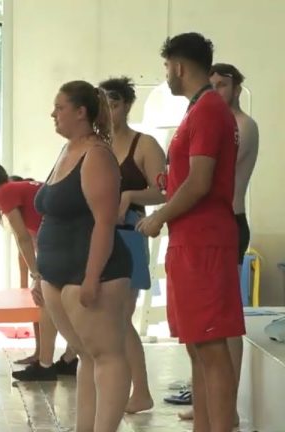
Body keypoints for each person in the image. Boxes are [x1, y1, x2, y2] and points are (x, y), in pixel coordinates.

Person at [137, 33, 243, 432]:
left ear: (178, 66)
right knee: (198, 346)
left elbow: (200, 183)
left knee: (213, 347)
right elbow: (187, 178)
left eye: (166, 67)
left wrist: (159, 215)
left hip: (205, 242)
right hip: (190, 241)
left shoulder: (209, 112)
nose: (166, 74)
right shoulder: (197, 111)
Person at [36, 80, 133, 431]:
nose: (53, 113)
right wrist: (40, 275)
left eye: (59, 107)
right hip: (57, 274)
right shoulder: (67, 150)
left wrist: (92, 277)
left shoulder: (96, 154)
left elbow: (105, 223)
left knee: (107, 355)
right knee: (86, 357)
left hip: (93, 273)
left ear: (80, 112)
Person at [175, 62, 259, 425]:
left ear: (237, 88)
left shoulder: (237, 124)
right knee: (202, 333)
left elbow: (203, 175)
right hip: (201, 228)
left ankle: (228, 405)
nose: (216, 91)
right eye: (212, 84)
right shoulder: (206, 115)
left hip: (226, 223)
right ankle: (210, 405)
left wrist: (162, 214)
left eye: (223, 85)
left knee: (220, 328)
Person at [0, 165, 78, 381]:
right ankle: (68, 358)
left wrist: (36, 275)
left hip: (65, 242)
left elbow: (22, 237)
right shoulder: (18, 188)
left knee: (47, 302)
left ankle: (47, 365)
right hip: (70, 239)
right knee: (57, 303)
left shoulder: (4, 192)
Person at [100, 76, 167, 413]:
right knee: (103, 317)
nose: (109, 112)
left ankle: (139, 389)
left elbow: (164, 191)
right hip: (97, 234)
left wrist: (129, 195)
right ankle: (118, 386)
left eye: (113, 105)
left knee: (121, 316)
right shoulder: (94, 144)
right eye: (104, 106)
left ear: (126, 105)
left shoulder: (145, 144)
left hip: (127, 232)